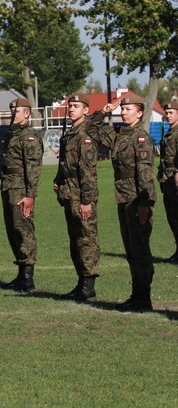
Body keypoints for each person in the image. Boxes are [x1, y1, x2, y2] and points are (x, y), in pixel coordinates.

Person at [87, 96, 156, 312]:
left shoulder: (141, 138)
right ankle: (136, 295)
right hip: (124, 197)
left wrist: (145, 202)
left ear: (140, 113)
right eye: (123, 109)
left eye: (129, 109)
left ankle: (144, 298)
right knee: (131, 249)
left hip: (137, 199)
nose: (124, 112)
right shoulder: (118, 135)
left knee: (140, 249)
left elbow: (145, 174)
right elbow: (91, 129)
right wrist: (105, 110)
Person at [0, 98, 43, 292]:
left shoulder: (29, 136)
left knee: (24, 231)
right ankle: (21, 274)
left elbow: (34, 168)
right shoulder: (11, 134)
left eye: (16, 110)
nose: (13, 113)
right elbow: (5, 160)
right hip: (8, 186)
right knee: (13, 231)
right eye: (11, 109)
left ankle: (28, 278)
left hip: (21, 189)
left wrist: (30, 195)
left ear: (27, 114)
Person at [53, 93, 101, 300]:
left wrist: (86, 201)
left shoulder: (85, 135)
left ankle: (88, 285)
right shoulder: (70, 134)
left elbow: (88, 171)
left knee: (86, 239)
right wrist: (58, 179)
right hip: (69, 191)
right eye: (70, 106)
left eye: (76, 106)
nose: (71, 109)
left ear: (86, 110)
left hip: (81, 194)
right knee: (75, 239)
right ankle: (81, 281)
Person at [158, 102, 178, 263]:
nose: (168, 115)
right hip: (167, 179)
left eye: (171, 112)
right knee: (172, 217)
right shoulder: (169, 133)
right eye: (167, 112)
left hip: (176, 178)